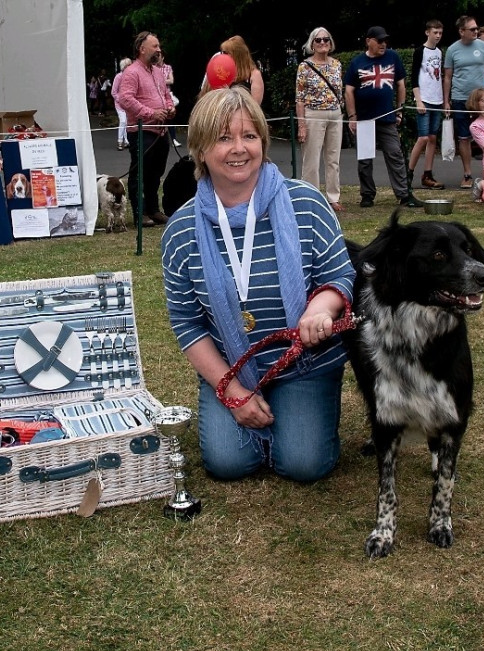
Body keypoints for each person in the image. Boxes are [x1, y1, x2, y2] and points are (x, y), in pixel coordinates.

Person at [160, 86, 355, 483]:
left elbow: (340, 276)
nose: (239, 149)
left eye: (249, 136)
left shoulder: (307, 202)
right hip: (233, 368)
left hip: (305, 366)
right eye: (223, 137)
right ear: (199, 150)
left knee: (304, 465)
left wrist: (321, 309)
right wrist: (231, 393)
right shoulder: (181, 230)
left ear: (263, 143)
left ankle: (293, 422)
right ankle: (260, 421)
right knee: (227, 465)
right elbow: (187, 322)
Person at [343, 26, 423, 209]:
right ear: (368, 41)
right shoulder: (357, 62)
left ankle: (404, 195)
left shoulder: (393, 57)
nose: (383, 44)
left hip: (387, 118)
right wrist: (352, 116)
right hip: (364, 118)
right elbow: (349, 90)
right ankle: (367, 195)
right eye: (379, 41)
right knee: (365, 159)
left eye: (385, 40)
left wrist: (399, 110)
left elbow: (401, 85)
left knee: (395, 154)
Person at [115, 31, 176, 227]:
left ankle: (153, 209)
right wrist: (151, 113)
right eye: (155, 46)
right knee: (139, 174)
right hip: (141, 131)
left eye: (158, 46)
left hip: (160, 131)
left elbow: (166, 94)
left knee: (155, 173)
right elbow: (125, 99)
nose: (159, 50)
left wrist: (169, 107)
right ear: (142, 49)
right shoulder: (132, 72)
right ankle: (139, 213)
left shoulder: (158, 72)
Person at [443, 15, 484, 189]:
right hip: (460, 98)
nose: (477, 31)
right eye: (472, 29)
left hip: (481, 98)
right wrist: (446, 101)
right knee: (464, 137)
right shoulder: (452, 50)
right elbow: (447, 77)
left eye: (477, 28)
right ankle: (467, 174)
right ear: (462, 31)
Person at [295, 26, 344, 212]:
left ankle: (333, 197)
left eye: (326, 39)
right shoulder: (304, 66)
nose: (323, 43)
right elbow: (299, 98)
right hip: (313, 115)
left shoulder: (337, 64)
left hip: (335, 114)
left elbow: (340, 90)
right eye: (318, 40)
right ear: (312, 44)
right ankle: (311, 196)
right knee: (311, 159)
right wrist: (302, 125)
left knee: (333, 158)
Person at [408, 19, 447, 190]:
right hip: (424, 99)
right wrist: (418, 100)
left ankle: (428, 173)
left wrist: (445, 101)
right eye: (435, 32)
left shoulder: (439, 52)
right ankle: (408, 173)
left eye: (440, 33)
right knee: (423, 137)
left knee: (432, 138)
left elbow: (440, 76)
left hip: (437, 99)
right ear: (427, 32)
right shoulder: (420, 51)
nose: (438, 36)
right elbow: (414, 77)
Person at [201, 35, 265, 105]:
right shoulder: (221, 73)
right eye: (222, 52)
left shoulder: (254, 75)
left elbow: (255, 106)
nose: (222, 55)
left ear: (237, 54)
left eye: (226, 53)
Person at [157, 53, 181, 147]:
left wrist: (160, 81)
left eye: (159, 56)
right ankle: (160, 139)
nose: (157, 58)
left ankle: (174, 139)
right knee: (161, 117)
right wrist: (164, 80)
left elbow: (171, 80)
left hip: (167, 95)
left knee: (170, 117)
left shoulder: (168, 67)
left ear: (163, 57)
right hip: (158, 95)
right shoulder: (153, 68)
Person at [112, 58, 131, 150]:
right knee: (123, 121)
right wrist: (120, 100)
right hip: (120, 104)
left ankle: (127, 141)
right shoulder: (119, 76)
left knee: (127, 122)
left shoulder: (131, 77)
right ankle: (120, 141)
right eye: (128, 65)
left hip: (128, 104)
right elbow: (114, 92)